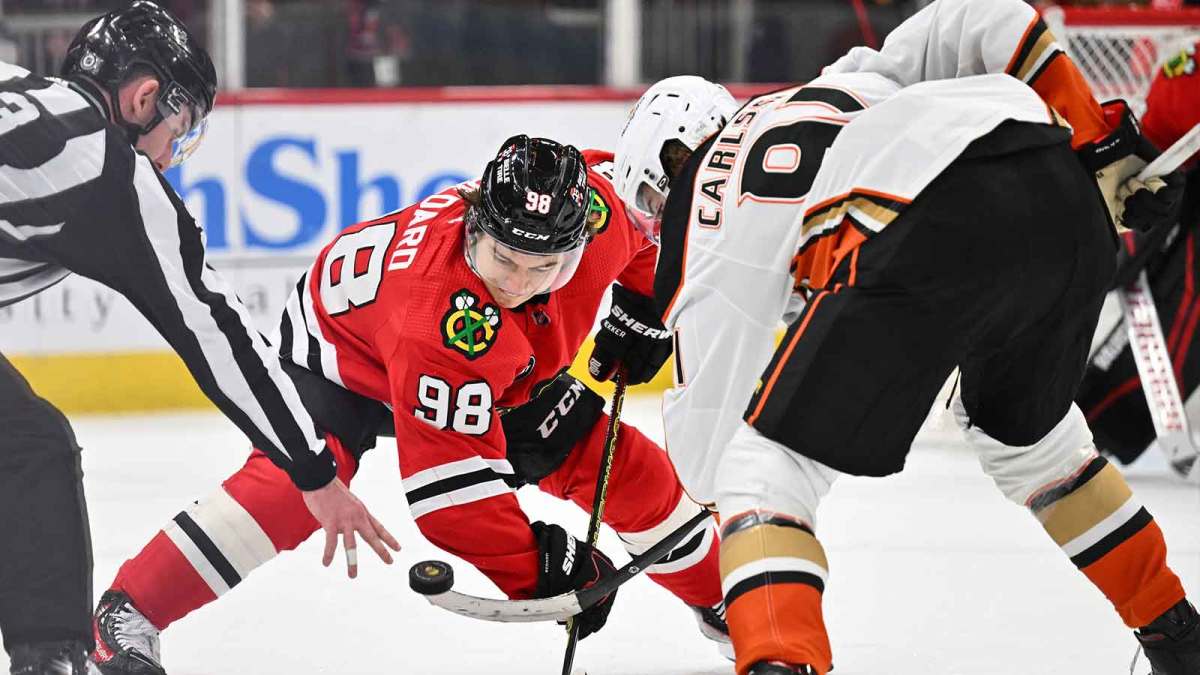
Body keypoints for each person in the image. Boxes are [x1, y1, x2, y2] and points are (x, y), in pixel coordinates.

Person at [613, 1, 1198, 674]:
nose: (660, 222)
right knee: (1030, 443)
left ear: (673, 164)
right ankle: (1177, 637)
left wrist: (732, 539)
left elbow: (705, 451)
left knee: (760, 473)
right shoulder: (838, 81)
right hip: (1057, 188)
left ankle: (780, 662)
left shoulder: (701, 206)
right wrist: (1094, 135)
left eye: (654, 204)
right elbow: (984, 18)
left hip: (924, 231)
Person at [88, 135, 729, 674]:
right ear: (476, 224)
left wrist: (646, 310)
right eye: (503, 259)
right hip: (339, 354)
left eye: (546, 268)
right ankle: (128, 612)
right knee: (297, 487)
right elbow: (448, 500)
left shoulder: (599, 214)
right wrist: (538, 570)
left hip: (499, 365)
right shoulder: (439, 321)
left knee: (612, 461)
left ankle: (727, 597)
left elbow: (648, 244)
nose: (518, 283)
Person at [0, 3, 400, 674]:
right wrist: (312, 467)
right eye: (177, 133)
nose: (170, 159)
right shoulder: (104, 166)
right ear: (143, 97)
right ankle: (51, 662)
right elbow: (217, 331)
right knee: (32, 451)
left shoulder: (16, 84)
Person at [1078, 39, 1200, 472]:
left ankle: (1105, 422)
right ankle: (1092, 418)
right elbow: (1161, 133)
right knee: (1103, 264)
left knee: (1184, 299)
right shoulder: (1184, 68)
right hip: (1171, 175)